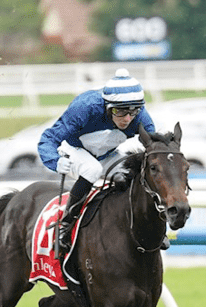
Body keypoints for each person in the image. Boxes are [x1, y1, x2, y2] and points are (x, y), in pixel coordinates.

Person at [38, 68, 157, 255]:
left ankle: (145, 226)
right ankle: (65, 226)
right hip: (75, 150)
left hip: (107, 155)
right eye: (120, 111)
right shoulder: (84, 108)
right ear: (107, 107)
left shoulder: (140, 116)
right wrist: (55, 161)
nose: (127, 119)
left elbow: (153, 149)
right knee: (92, 169)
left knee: (132, 171)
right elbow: (48, 139)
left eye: (133, 112)